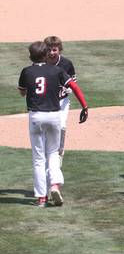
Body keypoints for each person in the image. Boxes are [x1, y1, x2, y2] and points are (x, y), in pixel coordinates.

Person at [18, 41, 89, 207]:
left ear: (31, 57)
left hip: (36, 116)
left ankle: (41, 198)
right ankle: (55, 184)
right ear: (45, 55)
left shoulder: (26, 71)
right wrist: (84, 106)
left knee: (38, 158)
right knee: (53, 152)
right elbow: (73, 86)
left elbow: (22, 92)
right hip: (54, 116)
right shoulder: (57, 70)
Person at [43, 36, 76, 164]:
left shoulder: (66, 64)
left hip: (62, 101)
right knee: (46, 127)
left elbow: (73, 81)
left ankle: (59, 153)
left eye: (54, 50)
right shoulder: (41, 63)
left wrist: (70, 90)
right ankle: (48, 152)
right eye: (49, 50)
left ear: (59, 50)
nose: (52, 53)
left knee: (61, 125)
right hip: (45, 101)